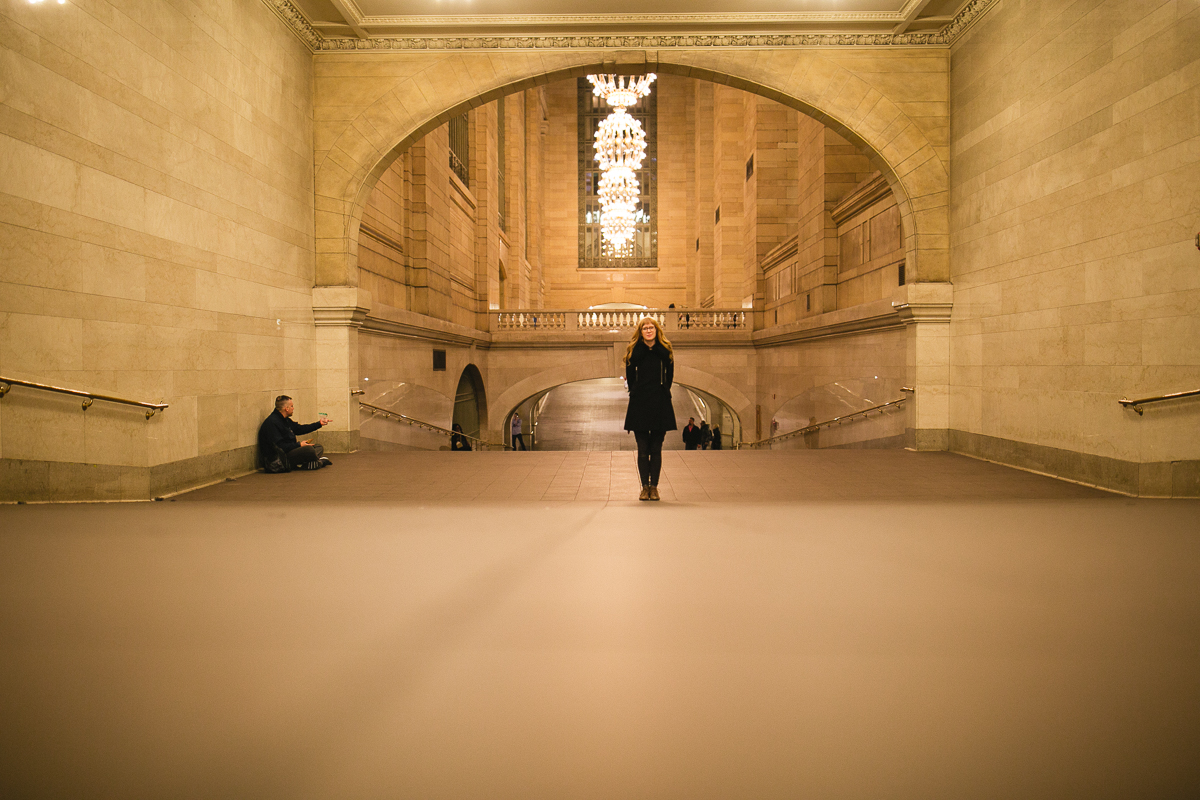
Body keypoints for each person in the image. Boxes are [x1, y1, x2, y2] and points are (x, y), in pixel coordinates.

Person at [624, 317, 677, 501]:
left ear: (656, 330)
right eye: (645, 328)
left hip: (659, 402)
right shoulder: (634, 351)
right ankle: (644, 487)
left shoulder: (665, 351)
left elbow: (669, 376)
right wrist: (636, 391)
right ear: (641, 331)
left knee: (656, 448)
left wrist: (663, 390)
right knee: (642, 449)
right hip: (639, 403)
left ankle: (654, 487)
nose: (648, 330)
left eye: (651, 328)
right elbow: (630, 377)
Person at [257, 395, 331, 471]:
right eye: (292, 406)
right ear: (286, 408)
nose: (293, 408)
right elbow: (281, 447)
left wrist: (319, 424)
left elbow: (299, 429)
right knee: (309, 450)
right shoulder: (272, 423)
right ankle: (317, 462)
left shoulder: (285, 420)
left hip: (289, 452)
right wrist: (299, 445)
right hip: (279, 460)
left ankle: (312, 462)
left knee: (318, 447)